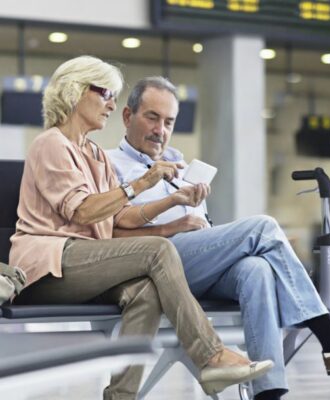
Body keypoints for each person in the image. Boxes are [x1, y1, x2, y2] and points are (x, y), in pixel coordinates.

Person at [107, 77, 330, 400]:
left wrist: (198, 219)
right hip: (156, 266)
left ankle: (268, 395)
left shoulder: (177, 163)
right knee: (263, 227)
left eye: (168, 122)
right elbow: (108, 233)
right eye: (152, 117)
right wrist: (173, 226)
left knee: (256, 270)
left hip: (196, 264)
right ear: (127, 116)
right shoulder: (109, 164)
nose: (160, 130)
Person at [8, 56, 273, 400]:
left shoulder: (95, 154)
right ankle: (211, 355)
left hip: (86, 265)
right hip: (48, 266)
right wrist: (143, 183)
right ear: (75, 91)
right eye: (105, 93)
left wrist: (173, 201)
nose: (111, 104)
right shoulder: (51, 144)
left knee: (144, 293)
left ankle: (121, 396)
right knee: (158, 251)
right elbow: (84, 211)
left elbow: (119, 218)